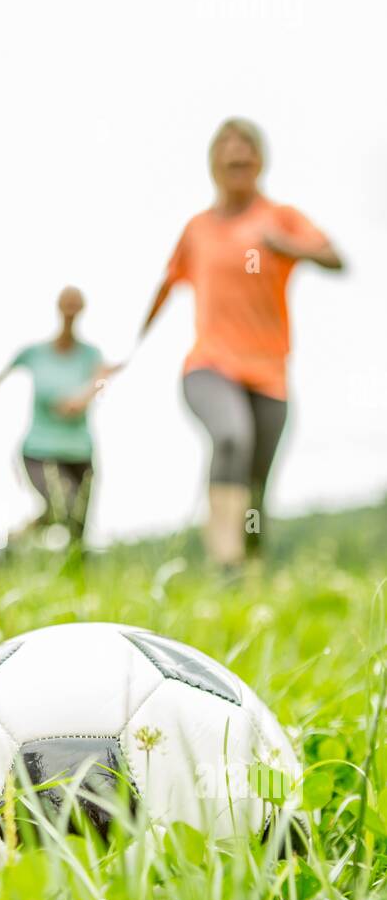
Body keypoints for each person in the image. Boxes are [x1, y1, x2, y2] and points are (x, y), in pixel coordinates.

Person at [138, 118, 343, 568]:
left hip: (269, 373)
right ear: (214, 164)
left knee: (255, 487)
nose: (238, 154)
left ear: (259, 161)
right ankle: (224, 559)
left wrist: (288, 246)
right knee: (231, 437)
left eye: (247, 146)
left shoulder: (280, 217)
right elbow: (167, 283)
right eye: (227, 147)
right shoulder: (198, 229)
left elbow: (334, 257)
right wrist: (130, 350)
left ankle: (249, 573)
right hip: (210, 365)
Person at [0, 287, 121, 547]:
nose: (70, 309)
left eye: (76, 304)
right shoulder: (35, 353)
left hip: (80, 451)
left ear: (82, 309)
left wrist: (83, 398)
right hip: (40, 450)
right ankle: (18, 540)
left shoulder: (91, 355)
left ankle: (22, 540)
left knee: (78, 527)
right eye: (66, 303)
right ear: (58, 307)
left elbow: (101, 381)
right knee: (63, 503)